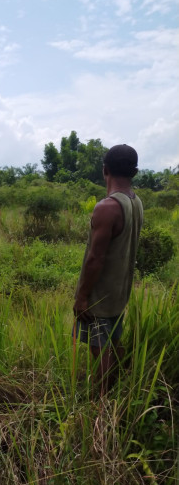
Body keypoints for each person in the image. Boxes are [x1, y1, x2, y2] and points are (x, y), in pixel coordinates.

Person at [73, 144, 143, 394]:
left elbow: (95, 259)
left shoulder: (107, 207)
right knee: (112, 341)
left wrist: (82, 297)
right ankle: (122, 385)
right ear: (133, 171)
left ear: (105, 170)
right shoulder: (136, 202)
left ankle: (102, 402)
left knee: (98, 346)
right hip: (120, 291)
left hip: (100, 294)